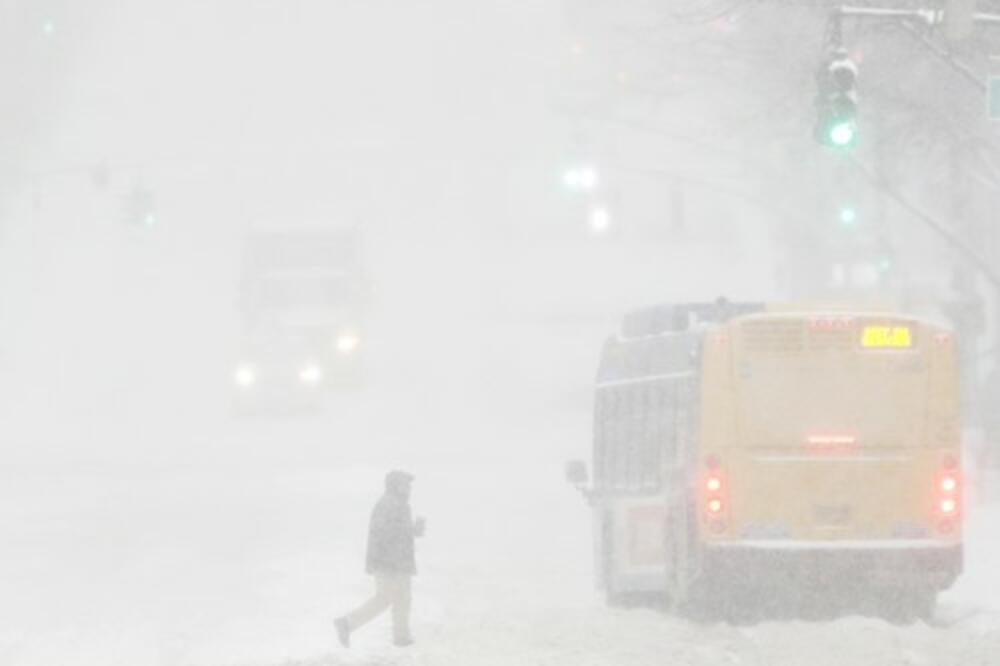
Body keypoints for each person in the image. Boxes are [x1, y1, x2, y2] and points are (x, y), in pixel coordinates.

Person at [335, 469, 425, 648]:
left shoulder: (399, 504)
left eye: (409, 484)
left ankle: (401, 636)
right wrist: (409, 532)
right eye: (404, 484)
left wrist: (414, 530)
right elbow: (385, 533)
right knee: (386, 598)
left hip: (396, 560)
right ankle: (347, 623)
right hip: (390, 561)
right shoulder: (389, 504)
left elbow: (398, 532)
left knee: (403, 597)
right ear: (394, 485)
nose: (408, 488)